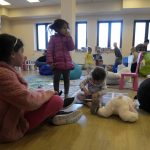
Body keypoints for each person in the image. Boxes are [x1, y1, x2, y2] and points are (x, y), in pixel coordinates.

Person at [0, 33, 82, 143]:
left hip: (12, 111)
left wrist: (45, 93)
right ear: (12, 54)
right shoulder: (4, 74)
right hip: (7, 127)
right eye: (21, 51)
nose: (24, 56)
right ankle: (56, 113)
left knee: (42, 92)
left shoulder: (5, 71)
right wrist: (49, 94)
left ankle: (57, 112)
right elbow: (27, 100)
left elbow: (20, 94)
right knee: (55, 100)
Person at [47, 19, 74, 99]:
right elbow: (49, 51)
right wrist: (50, 62)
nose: (66, 30)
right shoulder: (53, 38)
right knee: (56, 80)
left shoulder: (67, 38)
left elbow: (71, 48)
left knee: (67, 80)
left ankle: (66, 94)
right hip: (57, 64)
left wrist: (69, 38)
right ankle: (56, 95)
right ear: (57, 29)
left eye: (67, 28)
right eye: (64, 28)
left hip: (66, 64)